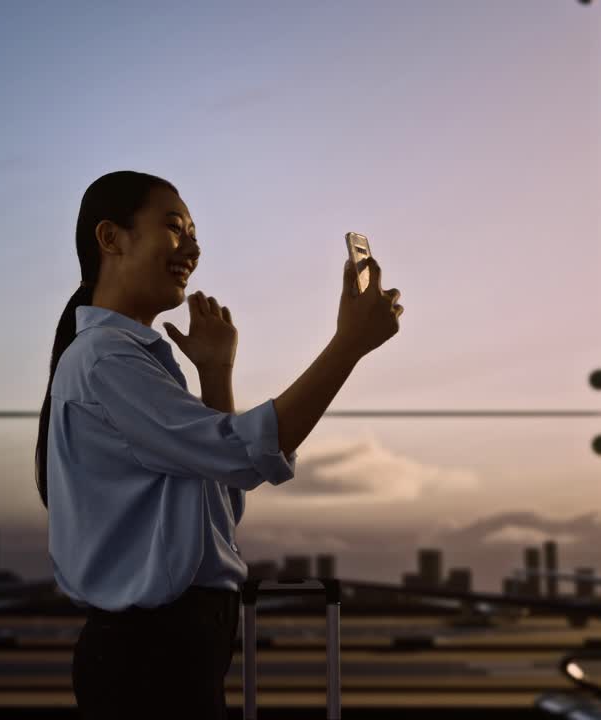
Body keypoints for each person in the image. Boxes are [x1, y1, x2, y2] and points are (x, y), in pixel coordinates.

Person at [35, 170, 402, 719]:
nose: (194, 248)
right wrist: (347, 345)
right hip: (149, 660)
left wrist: (215, 374)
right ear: (111, 239)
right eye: (175, 228)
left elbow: (222, 503)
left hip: (175, 651)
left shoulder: (132, 360)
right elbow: (241, 455)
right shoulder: (106, 360)